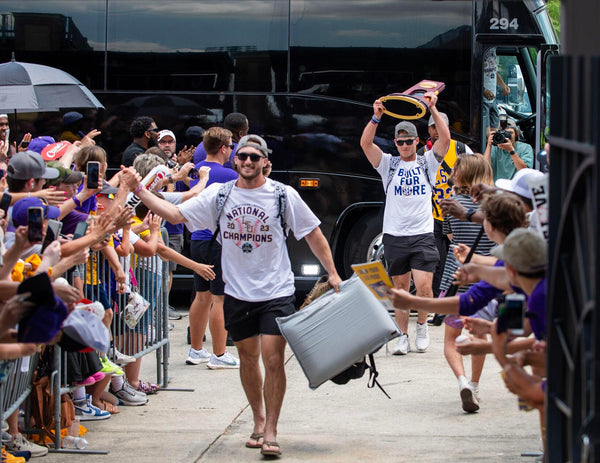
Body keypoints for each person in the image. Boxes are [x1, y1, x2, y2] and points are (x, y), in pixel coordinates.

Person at [121, 134, 342, 457]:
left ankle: (271, 429)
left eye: (256, 157)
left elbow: (313, 233)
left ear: (266, 161)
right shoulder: (220, 195)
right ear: (235, 160)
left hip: (276, 291)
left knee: (273, 358)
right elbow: (174, 214)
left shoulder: (283, 195)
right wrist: (138, 189)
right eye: (244, 156)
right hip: (237, 292)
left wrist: (333, 272)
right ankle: (257, 419)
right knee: (249, 359)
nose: (249, 161)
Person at [360, 92, 450, 355]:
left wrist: (433, 110)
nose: (405, 146)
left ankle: (421, 326)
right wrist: (376, 117)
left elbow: (445, 139)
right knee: (400, 289)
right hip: (395, 235)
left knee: (423, 288)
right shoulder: (388, 164)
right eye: (400, 142)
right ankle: (402, 336)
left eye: (409, 141)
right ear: (396, 143)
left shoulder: (427, 162)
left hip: (422, 233)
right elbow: (365, 144)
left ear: (417, 141)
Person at [185, 127, 239, 369]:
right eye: (230, 146)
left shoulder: (197, 172)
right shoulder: (228, 175)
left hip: (197, 238)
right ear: (224, 148)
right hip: (218, 241)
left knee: (201, 295)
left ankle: (196, 349)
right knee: (220, 298)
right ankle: (219, 353)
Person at [416, 111, 473, 324]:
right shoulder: (422, 152)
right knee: (436, 261)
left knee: (457, 260)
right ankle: (439, 309)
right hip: (432, 216)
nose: (435, 131)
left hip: (457, 216)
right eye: (432, 127)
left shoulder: (461, 149)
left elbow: (474, 175)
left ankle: (459, 304)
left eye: (438, 127)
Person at [484, 117, 533, 182]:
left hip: (516, 189)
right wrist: (489, 145)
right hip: (497, 188)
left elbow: (525, 172)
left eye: (510, 133)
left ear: (516, 134)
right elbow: (484, 169)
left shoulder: (525, 148)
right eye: (503, 134)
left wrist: (511, 150)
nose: (506, 137)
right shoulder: (495, 148)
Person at [482, 48, 510, 131]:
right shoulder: (480, 49)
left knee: (495, 131)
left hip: (493, 98)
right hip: (482, 100)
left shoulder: (493, 49)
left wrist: (503, 85)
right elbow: (473, 74)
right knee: (487, 134)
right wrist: (484, 91)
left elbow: (493, 71)